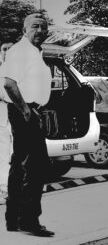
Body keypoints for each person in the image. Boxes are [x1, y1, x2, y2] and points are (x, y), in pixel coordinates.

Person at [0, 13, 54, 236]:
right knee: (36, 167)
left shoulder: (33, 52)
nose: (40, 31)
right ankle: (29, 221)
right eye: (35, 27)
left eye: (43, 27)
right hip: (25, 111)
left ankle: (13, 219)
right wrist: (26, 111)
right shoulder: (21, 51)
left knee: (20, 164)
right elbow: (9, 84)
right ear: (24, 29)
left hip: (30, 110)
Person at [0, 42, 13, 204]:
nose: (6, 53)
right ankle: (5, 189)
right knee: (3, 156)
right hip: (2, 119)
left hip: (16, 120)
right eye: (4, 49)